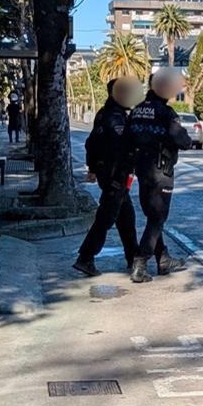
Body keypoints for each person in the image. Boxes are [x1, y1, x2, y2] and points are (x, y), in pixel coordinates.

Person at [73, 75, 143, 279]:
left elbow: (91, 143)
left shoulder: (107, 113)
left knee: (126, 216)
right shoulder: (115, 118)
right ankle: (85, 257)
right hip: (115, 174)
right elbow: (123, 145)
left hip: (113, 174)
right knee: (106, 216)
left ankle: (133, 256)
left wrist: (93, 168)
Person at [129, 68, 193, 283]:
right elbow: (183, 141)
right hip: (161, 172)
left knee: (152, 217)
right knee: (158, 218)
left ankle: (163, 259)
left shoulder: (137, 110)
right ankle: (140, 261)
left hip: (141, 171)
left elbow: (127, 138)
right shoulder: (166, 114)